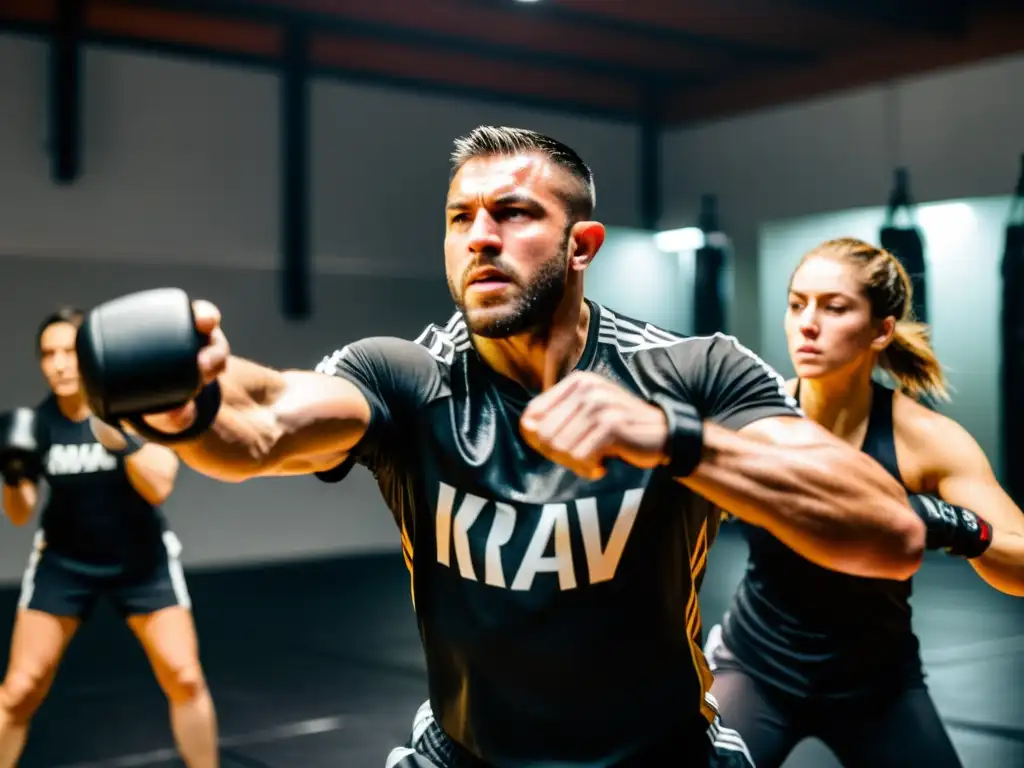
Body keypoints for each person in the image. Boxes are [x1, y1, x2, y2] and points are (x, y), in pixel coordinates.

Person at [80, 127, 936, 768]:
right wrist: (191, 406)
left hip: (663, 759)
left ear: (582, 245)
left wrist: (672, 437)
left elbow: (887, 533)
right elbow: (262, 421)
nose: (480, 235)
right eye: (460, 218)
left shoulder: (693, 370)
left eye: (513, 212)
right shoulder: (409, 377)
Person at [703, 237, 1024, 768]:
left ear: (881, 330)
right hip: (757, 669)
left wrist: (957, 526)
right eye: (797, 302)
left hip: (878, 686)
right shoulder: (754, 427)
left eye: (834, 307)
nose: (807, 323)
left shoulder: (925, 441)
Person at [0, 308, 219, 768]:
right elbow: (19, 514)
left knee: (185, 677)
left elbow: (161, 484)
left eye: (68, 352)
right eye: (48, 354)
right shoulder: (38, 424)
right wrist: (11, 472)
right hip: (64, 562)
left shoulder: (131, 410)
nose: (59, 364)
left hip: (141, 560)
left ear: (89, 357)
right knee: (18, 692)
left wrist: (118, 436)